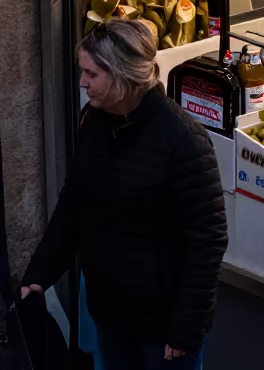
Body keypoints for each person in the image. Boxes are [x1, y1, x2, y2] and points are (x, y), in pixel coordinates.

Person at [21, 20, 227, 369]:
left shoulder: (183, 140)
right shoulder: (93, 122)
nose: (83, 83)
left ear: (122, 75)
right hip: (110, 315)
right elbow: (74, 205)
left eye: (91, 74)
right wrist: (39, 275)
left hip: (163, 330)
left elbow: (208, 242)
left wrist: (185, 330)